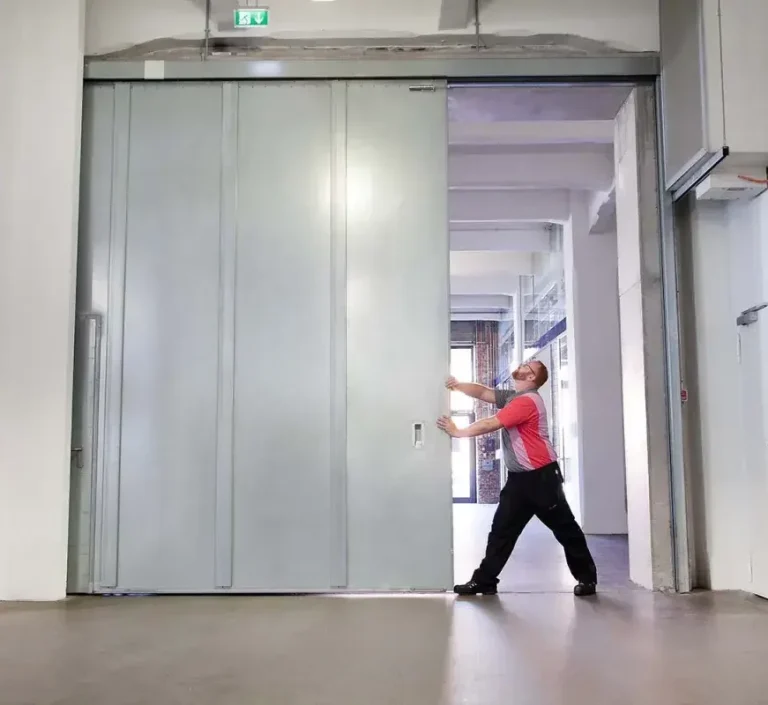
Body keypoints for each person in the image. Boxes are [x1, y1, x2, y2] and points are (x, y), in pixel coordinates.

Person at [437, 360, 597, 597]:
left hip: (542, 478)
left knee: (566, 529)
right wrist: (459, 386)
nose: (521, 366)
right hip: (519, 480)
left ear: (531, 378)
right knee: (501, 530)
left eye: (526, 367)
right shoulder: (514, 396)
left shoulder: (527, 401)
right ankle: (485, 581)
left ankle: (587, 580)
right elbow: (483, 392)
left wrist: (458, 432)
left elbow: (491, 423)